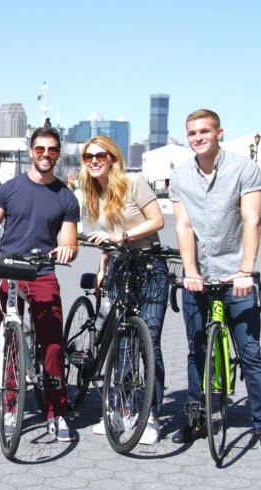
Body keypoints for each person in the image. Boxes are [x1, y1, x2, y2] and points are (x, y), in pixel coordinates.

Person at [170, 109, 261, 458]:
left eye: (204, 131)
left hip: (237, 275)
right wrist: (190, 271)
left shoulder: (243, 168)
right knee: (197, 351)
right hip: (198, 277)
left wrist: (245, 271)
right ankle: (197, 419)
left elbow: (252, 220)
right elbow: (183, 227)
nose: (197, 138)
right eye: (192, 133)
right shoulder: (180, 175)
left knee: (251, 354)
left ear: (219, 132)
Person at [0, 127, 79, 442]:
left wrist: (68, 248)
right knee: (11, 342)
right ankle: (11, 405)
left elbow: (69, 239)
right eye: (40, 148)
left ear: (58, 153)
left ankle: (57, 412)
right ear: (31, 151)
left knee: (53, 347)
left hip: (42, 273)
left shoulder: (66, 196)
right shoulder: (8, 189)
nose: (45, 154)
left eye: (52, 149)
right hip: (8, 270)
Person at [77, 135, 167, 445]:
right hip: (118, 267)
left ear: (113, 157)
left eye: (101, 155)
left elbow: (157, 221)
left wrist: (124, 237)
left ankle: (151, 416)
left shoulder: (133, 182)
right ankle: (122, 409)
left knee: (148, 340)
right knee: (123, 339)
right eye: (89, 157)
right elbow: (108, 236)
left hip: (149, 266)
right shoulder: (95, 193)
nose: (94, 161)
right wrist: (103, 267)